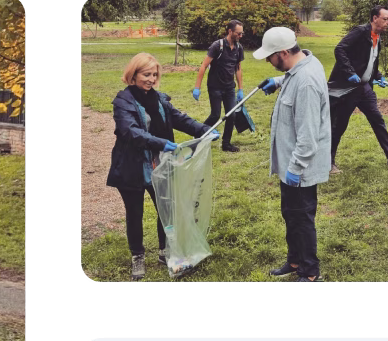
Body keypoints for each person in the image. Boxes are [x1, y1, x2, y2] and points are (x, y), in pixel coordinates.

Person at [106, 53, 218, 280]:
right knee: (134, 213)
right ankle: (137, 256)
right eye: (146, 74)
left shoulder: (159, 99)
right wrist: (160, 143)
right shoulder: (123, 101)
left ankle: (164, 251)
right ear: (133, 75)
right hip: (131, 166)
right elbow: (130, 131)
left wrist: (203, 129)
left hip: (160, 163)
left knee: (166, 209)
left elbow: (180, 118)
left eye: (154, 74)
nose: (151, 79)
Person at [255, 27, 331, 282]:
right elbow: (293, 75)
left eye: (270, 56)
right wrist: (278, 81)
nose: (268, 61)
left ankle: (310, 272)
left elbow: (308, 136)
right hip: (290, 161)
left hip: (300, 166)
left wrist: (296, 168)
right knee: (291, 213)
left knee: (302, 217)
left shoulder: (306, 82)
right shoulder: (302, 64)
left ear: (284, 53)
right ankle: (295, 260)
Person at [327, 6, 388, 174]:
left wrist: (378, 75)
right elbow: (340, 49)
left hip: (364, 89)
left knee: (377, 120)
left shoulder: (378, 37)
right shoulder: (360, 32)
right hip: (349, 89)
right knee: (339, 125)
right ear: (374, 18)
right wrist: (349, 73)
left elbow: (371, 60)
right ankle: (328, 163)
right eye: (385, 19)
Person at [193, 20, 245, 153]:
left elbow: (238, 68)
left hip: (229, 88)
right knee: (215, 115)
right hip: (215, 86)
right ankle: (198, 134)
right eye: (238, 33)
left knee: (231, 115)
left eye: (242, 33)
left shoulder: (239, 48)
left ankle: (226, 144)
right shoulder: (217, 46)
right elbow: (204, 66)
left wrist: (240, 89)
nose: (240, 36)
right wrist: (197, 87)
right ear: (230, 31)